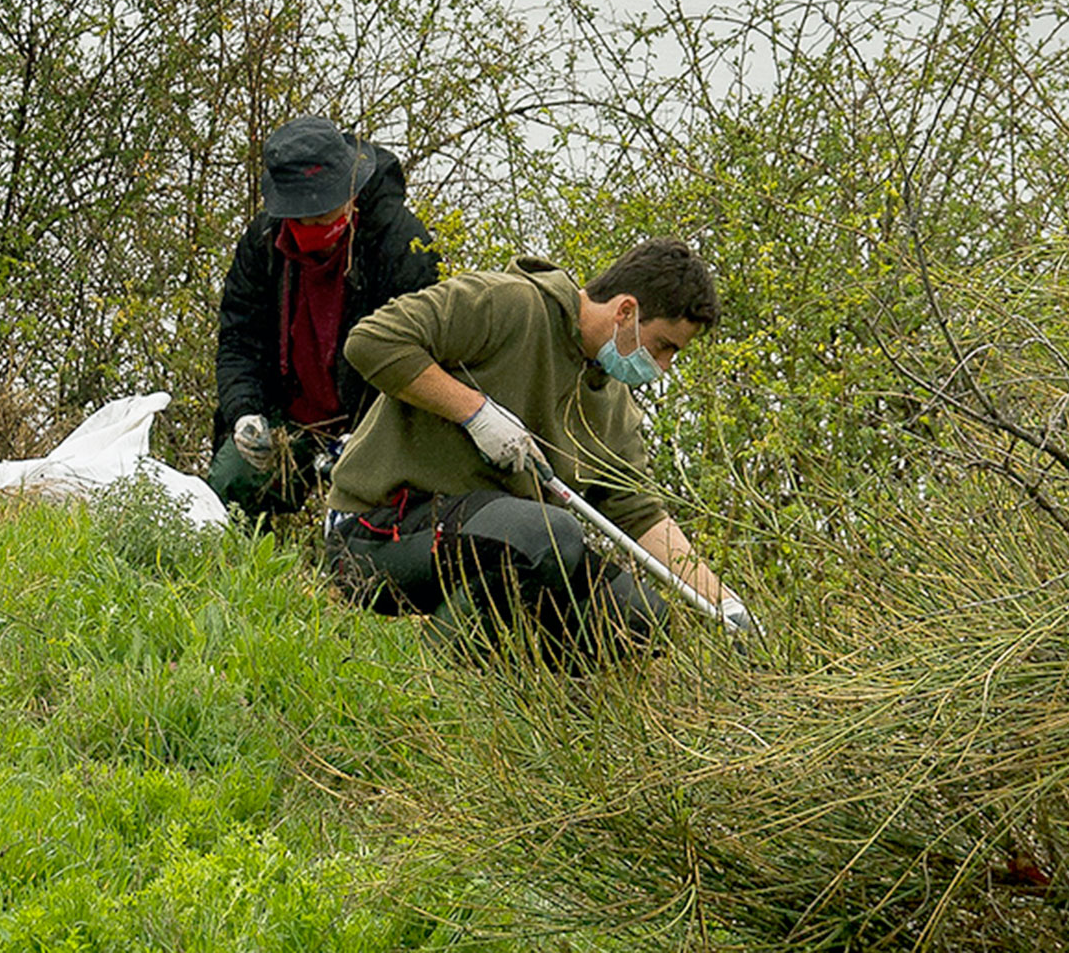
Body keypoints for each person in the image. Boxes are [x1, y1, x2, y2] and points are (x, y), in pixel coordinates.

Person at [321, 237, 754, 658]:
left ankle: (496, 677)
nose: (663, 366)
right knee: (549, 534)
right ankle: (424, 677)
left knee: (640, 619)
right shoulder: (507, 303)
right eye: (663, 346)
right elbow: (372, 340)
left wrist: (722, 603)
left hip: (491, 549)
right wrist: (474, 412)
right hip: (374, 537)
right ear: (626, 311)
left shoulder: (615, 405)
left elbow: (639, 514)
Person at [208, 115, 441, 517]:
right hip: (288, 421)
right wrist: (244, 411)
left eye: (331, 211)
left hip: (373, 421)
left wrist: (374, 436)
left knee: (381, 526)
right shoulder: (262, 243)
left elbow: (423, 358)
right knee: (230, 487)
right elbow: (239, 340)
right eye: (310, 217)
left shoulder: (402, 244)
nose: (323, 223)